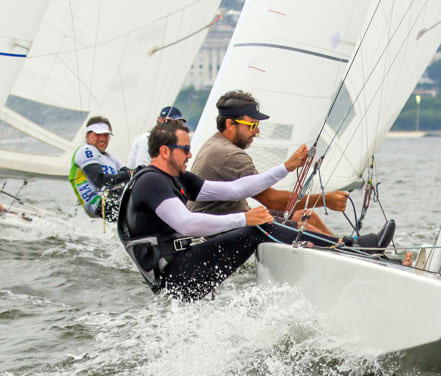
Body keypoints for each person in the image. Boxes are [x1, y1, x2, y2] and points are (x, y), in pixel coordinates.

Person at [117, 120, 394, 301]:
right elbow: (187, 224)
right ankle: (352, 248)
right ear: (165, 151)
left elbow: (236, 190)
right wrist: (244, 218)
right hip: (176, 278)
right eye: (185, 149)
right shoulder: (151, 182)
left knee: (265, 221)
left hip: (183, 268)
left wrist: (285, 168)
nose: (190, 155)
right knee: (258, 227)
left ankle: (345, 251)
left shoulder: (177, 177)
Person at [188, 90, 351, 237]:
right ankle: (343, 249)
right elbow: (272, 201)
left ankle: (345, 246)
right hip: (214, 235)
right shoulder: (230, 155)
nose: (257, 132)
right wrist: (325, 200)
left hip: (230, 223)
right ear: (230, 124)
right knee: (303, 228)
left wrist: (288, 166)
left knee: (306, 216)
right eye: (252, 126)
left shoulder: (215, 143)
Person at [69, 116, 132, 221]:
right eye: (98, 135)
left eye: (106, 135)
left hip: (110, 199)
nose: (102, 139)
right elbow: (100, 180)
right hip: (96, 203)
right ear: (88, 135)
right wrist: (130, 174)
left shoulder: (111, 158)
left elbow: (130, 174)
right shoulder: (85, 150)